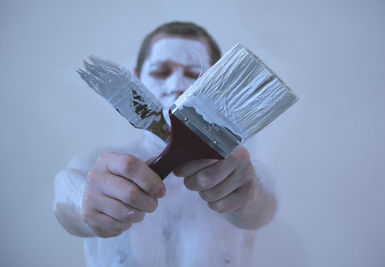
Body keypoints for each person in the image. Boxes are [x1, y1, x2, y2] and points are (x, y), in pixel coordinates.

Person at [54, 21, 277, 267]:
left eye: (194, 74)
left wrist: (248, 195)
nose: (176, 86)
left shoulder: (244, 172)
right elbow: (66, 191)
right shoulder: (95, 164)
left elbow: (262, 206)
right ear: (136, 78)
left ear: (216, 84)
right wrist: (83, 200)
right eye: (161, 72)